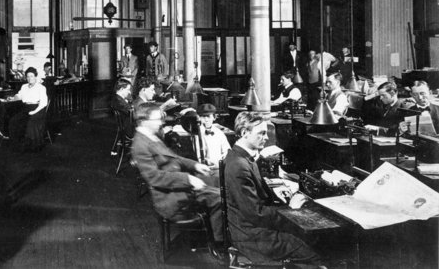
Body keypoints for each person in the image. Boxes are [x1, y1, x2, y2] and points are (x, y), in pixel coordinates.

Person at [224, 112, 323, 267]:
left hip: (248, 228)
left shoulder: (240, 157)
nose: (266, 137)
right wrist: (289, 209)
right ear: (244, 133)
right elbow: (254, 213)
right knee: (310, 250)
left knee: (308, 237)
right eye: (261, 133)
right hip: (250, 236)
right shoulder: (239, 165)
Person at [131, 102, 224, 253]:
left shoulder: (150, 136)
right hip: (170, 197)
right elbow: (155, 178)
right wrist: (188, 179)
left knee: (218, 183)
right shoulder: (140, 145)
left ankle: (214, 234)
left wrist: (195, 165)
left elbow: (175, 158)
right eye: (157, 119)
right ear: (144, 121)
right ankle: (219, 245)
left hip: (177, 186)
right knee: (220, 199)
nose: (161, 122)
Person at [9, 67, 49, 150]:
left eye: (31, 76)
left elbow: (43, 103)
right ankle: (17, 145)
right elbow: (20, 95)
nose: (29, 78)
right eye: (27, 76)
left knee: (30, 122)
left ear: (35, 77)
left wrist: (34, 112)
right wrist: (14, 97)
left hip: (38, 109)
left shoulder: (41, 88)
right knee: (13, 120)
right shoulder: (24, 86)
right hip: (26, 108)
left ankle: (32, 146)